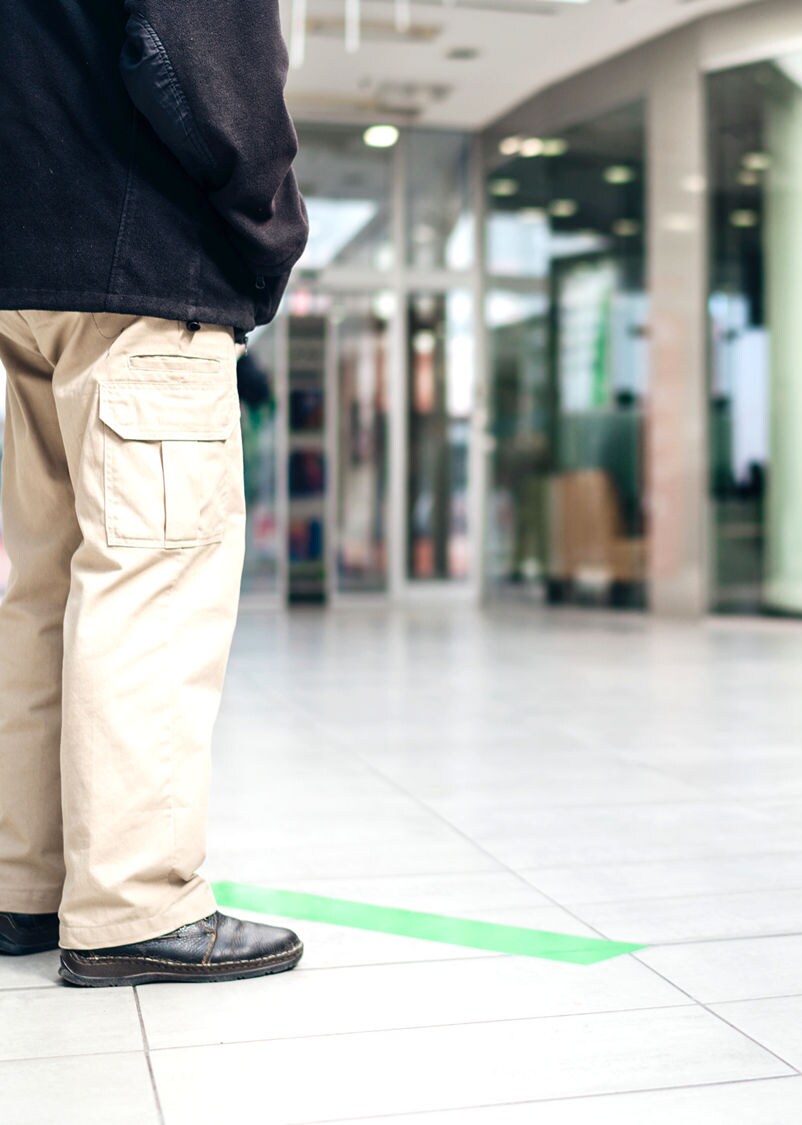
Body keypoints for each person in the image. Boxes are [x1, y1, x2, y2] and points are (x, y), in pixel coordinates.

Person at [0, 0, 310, 984]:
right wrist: (268, 232)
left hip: (27, 271)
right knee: (153, 590)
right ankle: (132, 905)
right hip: (143, 274)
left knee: (43, 591)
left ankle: (23, 882)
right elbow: (202, 61)